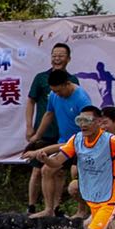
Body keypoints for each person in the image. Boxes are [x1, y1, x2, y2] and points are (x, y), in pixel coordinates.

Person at [28, 70, 95, 218]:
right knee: (47, 170)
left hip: (81, 143)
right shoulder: (53, 95)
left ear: (67, 84)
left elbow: (89, 129)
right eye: (53, 91)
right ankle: (49, 209)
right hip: (64, 142)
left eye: (58, 91)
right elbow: (49, 114)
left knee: (76, 173)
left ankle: (82, 210)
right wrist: (37, 135)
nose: (56, 94)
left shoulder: (82, 99)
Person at [24, 42, 71, 213]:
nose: (57, 58)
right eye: (54, 55)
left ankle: (55, 206)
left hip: (62, 134)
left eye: (61, 55)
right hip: (43, 132)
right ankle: (31, 205)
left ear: (68, 59)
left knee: (58, 171)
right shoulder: (41, 78)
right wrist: (30, 127)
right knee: (37, 170)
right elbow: (31, 101)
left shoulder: (72, 81)